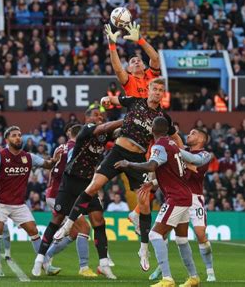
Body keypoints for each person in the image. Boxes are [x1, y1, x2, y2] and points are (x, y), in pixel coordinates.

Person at [54, 78, 182, 272]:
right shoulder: (135, 101)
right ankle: (67, 225)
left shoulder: (163, 117)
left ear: (162, 94)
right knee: (93, 186)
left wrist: (184, 151)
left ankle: (143, 249)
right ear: (148, 90)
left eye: (160, 90)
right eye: (154, 88)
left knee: (145, 200)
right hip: (118, 152)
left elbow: (174, 136)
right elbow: (114, 100)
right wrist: (107, 98)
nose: (157, 92)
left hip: (137, 158)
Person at [32, 108, 122, 279]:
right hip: (70, 181)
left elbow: (117, 133)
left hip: (88, 184)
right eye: (96, 115)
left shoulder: (102, 135)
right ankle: (40, 259)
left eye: (100, 115)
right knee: (56, 220)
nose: (99, 117)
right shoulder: (85, 129)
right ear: (87, 118)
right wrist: (123, 120)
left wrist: (132, 124)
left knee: (98, 221)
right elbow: (105, 128)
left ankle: (103, 264)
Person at [114, 116, 200, 287]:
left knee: (154, 234)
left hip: (176, 198)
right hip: (185, 195)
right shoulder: (173, 145)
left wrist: (128, 164)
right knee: (182, 240)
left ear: (151, 130)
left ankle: (167, 278)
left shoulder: (159, 146)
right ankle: (194, 277)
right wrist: (152, 182)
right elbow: (172, 173)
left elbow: (152, 166)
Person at [149, 128, 216, 282]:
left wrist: (175, 149)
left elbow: (193, 163)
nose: (189, 135)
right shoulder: (180, 151)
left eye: (193, 133)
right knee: (164, 233)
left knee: (200, 234)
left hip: (195, 198)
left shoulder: (205, 155)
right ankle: (162, 268)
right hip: (178, 196)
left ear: (201, 139)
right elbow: (175, 171)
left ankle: (210, 270)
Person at [0, 126, 58, 267]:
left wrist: (54, 161)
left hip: (18, 204)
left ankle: (46, 265)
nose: (18, 137)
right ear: (7, 139)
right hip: (0, 203)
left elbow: (47, 165)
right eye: (14, 135)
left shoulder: (28, 157)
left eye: (19, 135)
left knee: (33, 230)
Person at [105, 22, 160, 98]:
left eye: (139, 60)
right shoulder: (128, 80)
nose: (136, 62)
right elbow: (118, 70)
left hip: (155, 110)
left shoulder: (151, 74)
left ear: (144, 66)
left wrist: (140, 39)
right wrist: (112, 45)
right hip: (135, 110)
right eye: (133, 62)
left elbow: (155, 58)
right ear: (129, 69)